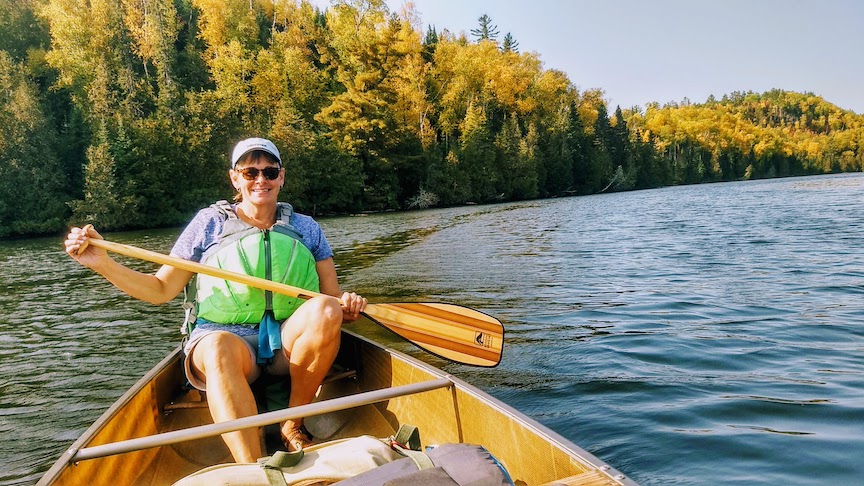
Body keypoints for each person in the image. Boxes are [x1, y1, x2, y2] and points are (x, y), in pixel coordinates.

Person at [64, 137, 367, 463]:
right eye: (250, 172)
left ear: (282, 176)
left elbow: (331, 297)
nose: (260, 180)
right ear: (235, 178)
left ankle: (292, 425)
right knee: (219, 347)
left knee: (323, 309)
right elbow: (159, 289)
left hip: (288, 344)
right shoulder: (209, 224)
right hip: (227, 346)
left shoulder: (306, 227)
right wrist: (103, 263)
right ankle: (252, 468)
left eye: (269, 171)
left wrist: (345, 306)